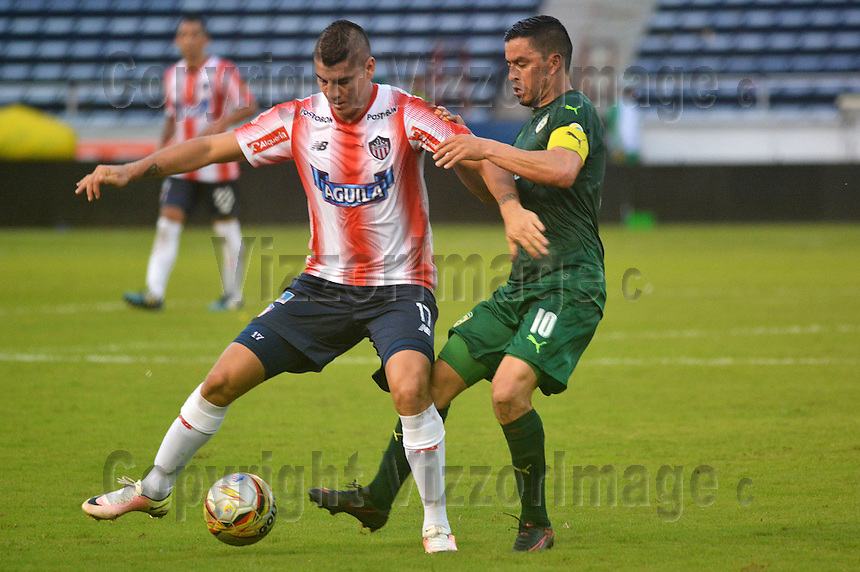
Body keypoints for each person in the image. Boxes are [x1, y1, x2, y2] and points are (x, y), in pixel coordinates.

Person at [75, 20, 547, 554]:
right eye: (324, 81)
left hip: (400, 287)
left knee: (411, 388)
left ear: (369, 69)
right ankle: (152, 488)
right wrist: (131, 170)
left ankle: (436, 523)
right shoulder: (299, 118)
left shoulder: (406, 112)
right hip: (321, 286)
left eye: (344, 80)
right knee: (222, 379)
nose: (334, 93)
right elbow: (211, 147)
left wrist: (509, 208)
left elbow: (476, 150)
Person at [309, 15, 607, 553]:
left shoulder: (571, 112)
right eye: (508, 63)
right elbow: (491, 190)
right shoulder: (530, 126)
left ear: (554, 62)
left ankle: (535, 522)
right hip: (522, 288)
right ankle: (377, 498)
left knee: (509, 392)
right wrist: (465, 148)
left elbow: (562, 169)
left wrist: (487, 148)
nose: (511, 74)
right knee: (430, 388)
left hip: (568, 286)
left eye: (522, 63)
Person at [124, 14, 258, 311]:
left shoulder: (223, 70)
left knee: (226, 228)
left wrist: (221, 122)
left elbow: (249, 103)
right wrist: (159, 153)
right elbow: (172, 116)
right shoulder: (172, 75)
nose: (189, 39)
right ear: (176, 40)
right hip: (182, 165)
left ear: (206, 39)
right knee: (167, 224)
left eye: (195, 34)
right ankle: (153, 293)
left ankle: (233, 295)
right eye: (183, 34)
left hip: (217, 165)